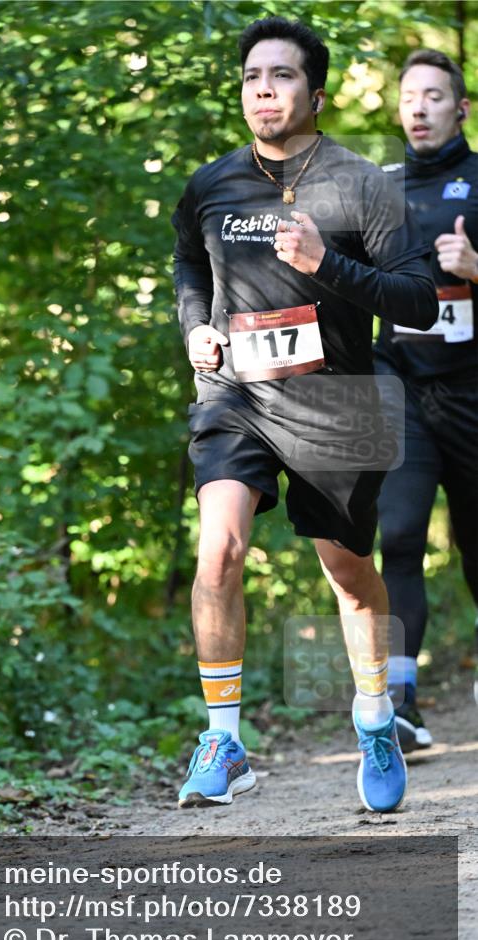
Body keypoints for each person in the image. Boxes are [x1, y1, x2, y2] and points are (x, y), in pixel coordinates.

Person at [171, 16, 438, 812]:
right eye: (252, 76)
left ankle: (374, 716)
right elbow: (189, 259)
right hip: (237, 397)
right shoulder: (210, 184)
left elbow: (418, 300)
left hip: (337, 400)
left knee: (351, 578)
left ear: (313, 94)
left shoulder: (363, 184)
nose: (263, 89)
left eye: (280, 76)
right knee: (217, 550)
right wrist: (195, 325)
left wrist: (329, 265)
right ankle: (223, 737)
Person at [374, 49, 478, 751]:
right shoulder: (373, 188)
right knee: (398, 532)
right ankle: (399, 700)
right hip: (402, 385)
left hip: (473, 391)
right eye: (409, 96)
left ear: (461, 109)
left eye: (433, 96)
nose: (417, 108)